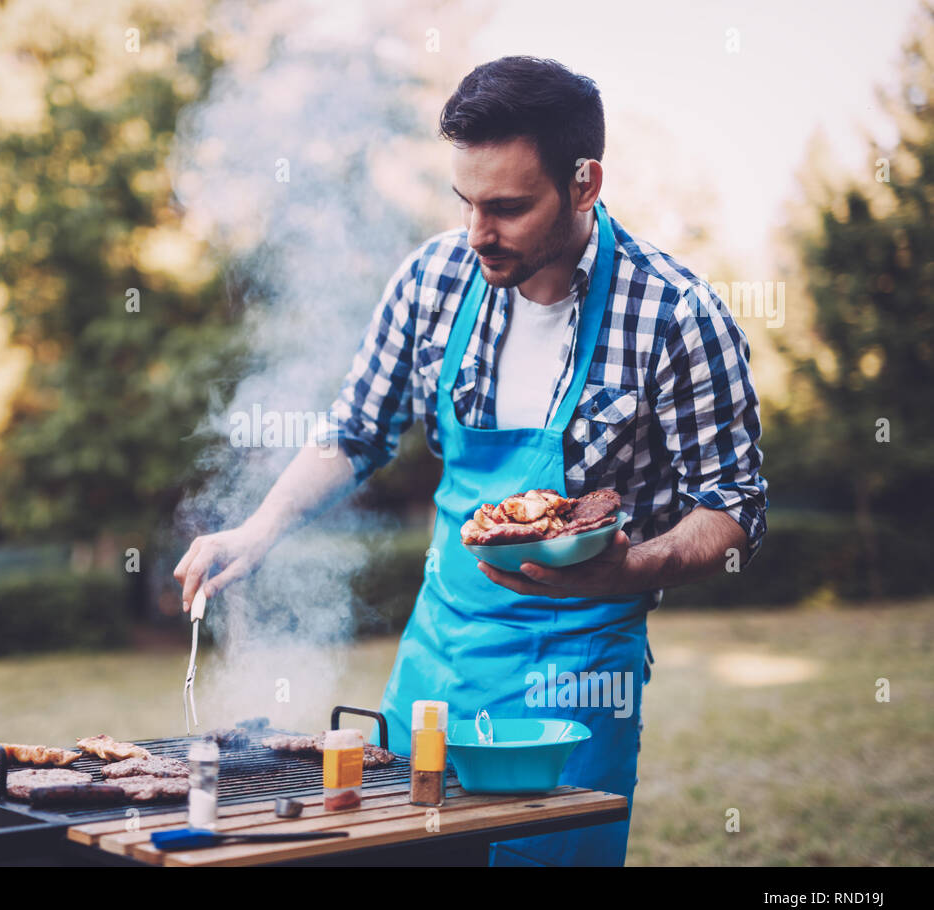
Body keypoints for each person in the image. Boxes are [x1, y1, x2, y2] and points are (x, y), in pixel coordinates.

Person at [173, 56, 767, 866]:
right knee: (393, 855)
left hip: (578, 679)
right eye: (466, 203)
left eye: (508, 208)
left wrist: (630, 570)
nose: (479, 233)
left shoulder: (677, 315)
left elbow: (732, 508)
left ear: (586, 184)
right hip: (437, 661)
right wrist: (258, 530)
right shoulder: (433, 279)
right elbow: (353, 431)